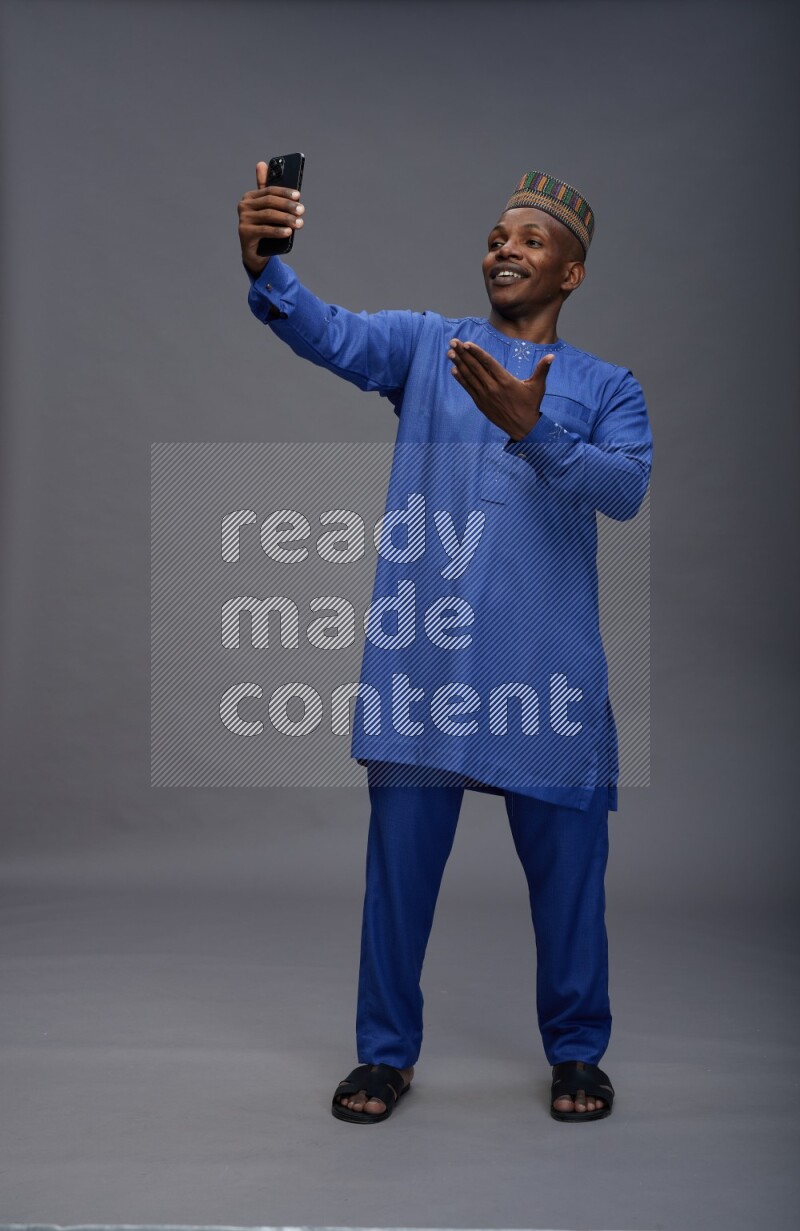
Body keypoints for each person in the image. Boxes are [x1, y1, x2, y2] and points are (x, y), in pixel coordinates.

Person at [237, 163, 653, 1124]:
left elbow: (624, 491)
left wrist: (534, 427)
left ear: (572, 273)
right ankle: (385, 1056)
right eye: (498, 235)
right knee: (397, 880)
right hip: (425, 671)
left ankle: (578, 1055)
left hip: (545, 678)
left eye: (531, 239)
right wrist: (266, 270)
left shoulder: (607, 386)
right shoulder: (431, 349)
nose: (506, 247)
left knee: (569, 892)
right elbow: (330, 331)